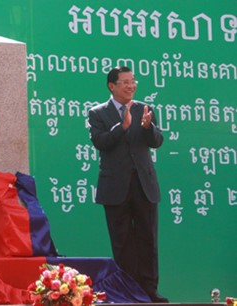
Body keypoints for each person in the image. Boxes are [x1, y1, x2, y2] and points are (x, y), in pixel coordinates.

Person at [88, 66, 168, 303]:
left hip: (144, 185)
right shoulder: (97, 113)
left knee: (148, 239)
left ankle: (149, 291)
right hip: (116, 187)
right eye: (125, 82)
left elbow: (157, 141)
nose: (131, 86)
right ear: (111, 86)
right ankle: (128, 292)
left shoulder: (145, 109)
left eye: (133, 81)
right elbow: (100, 142)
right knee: (123, 243)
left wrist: (147, 127)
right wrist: (121, 127)